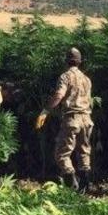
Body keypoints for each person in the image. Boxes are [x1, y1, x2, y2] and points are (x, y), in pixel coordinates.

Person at [37, 47, 93, 191]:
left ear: (66, 61)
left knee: (61, 154)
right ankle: (85, 188)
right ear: (80, 62)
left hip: (72, 118)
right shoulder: (87, 79)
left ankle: (71, 185)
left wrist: (46, 111)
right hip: (87, 119)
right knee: (84, 153)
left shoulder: (65, 76)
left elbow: (59, 95)